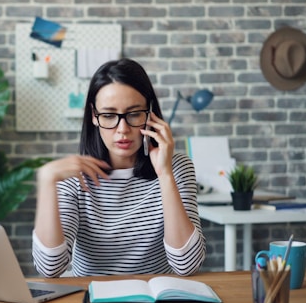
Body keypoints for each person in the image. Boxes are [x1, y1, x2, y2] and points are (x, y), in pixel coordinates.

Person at [32, 58, 206, 278]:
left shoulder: (177, 168)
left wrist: (164, 174)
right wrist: (47, 182)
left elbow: (187, 265)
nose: (122, 129)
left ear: (150, 113)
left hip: (158, 302)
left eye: (134, 114)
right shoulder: (73, 177)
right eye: (109, 115)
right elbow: (50, 268)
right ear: (94, 116)